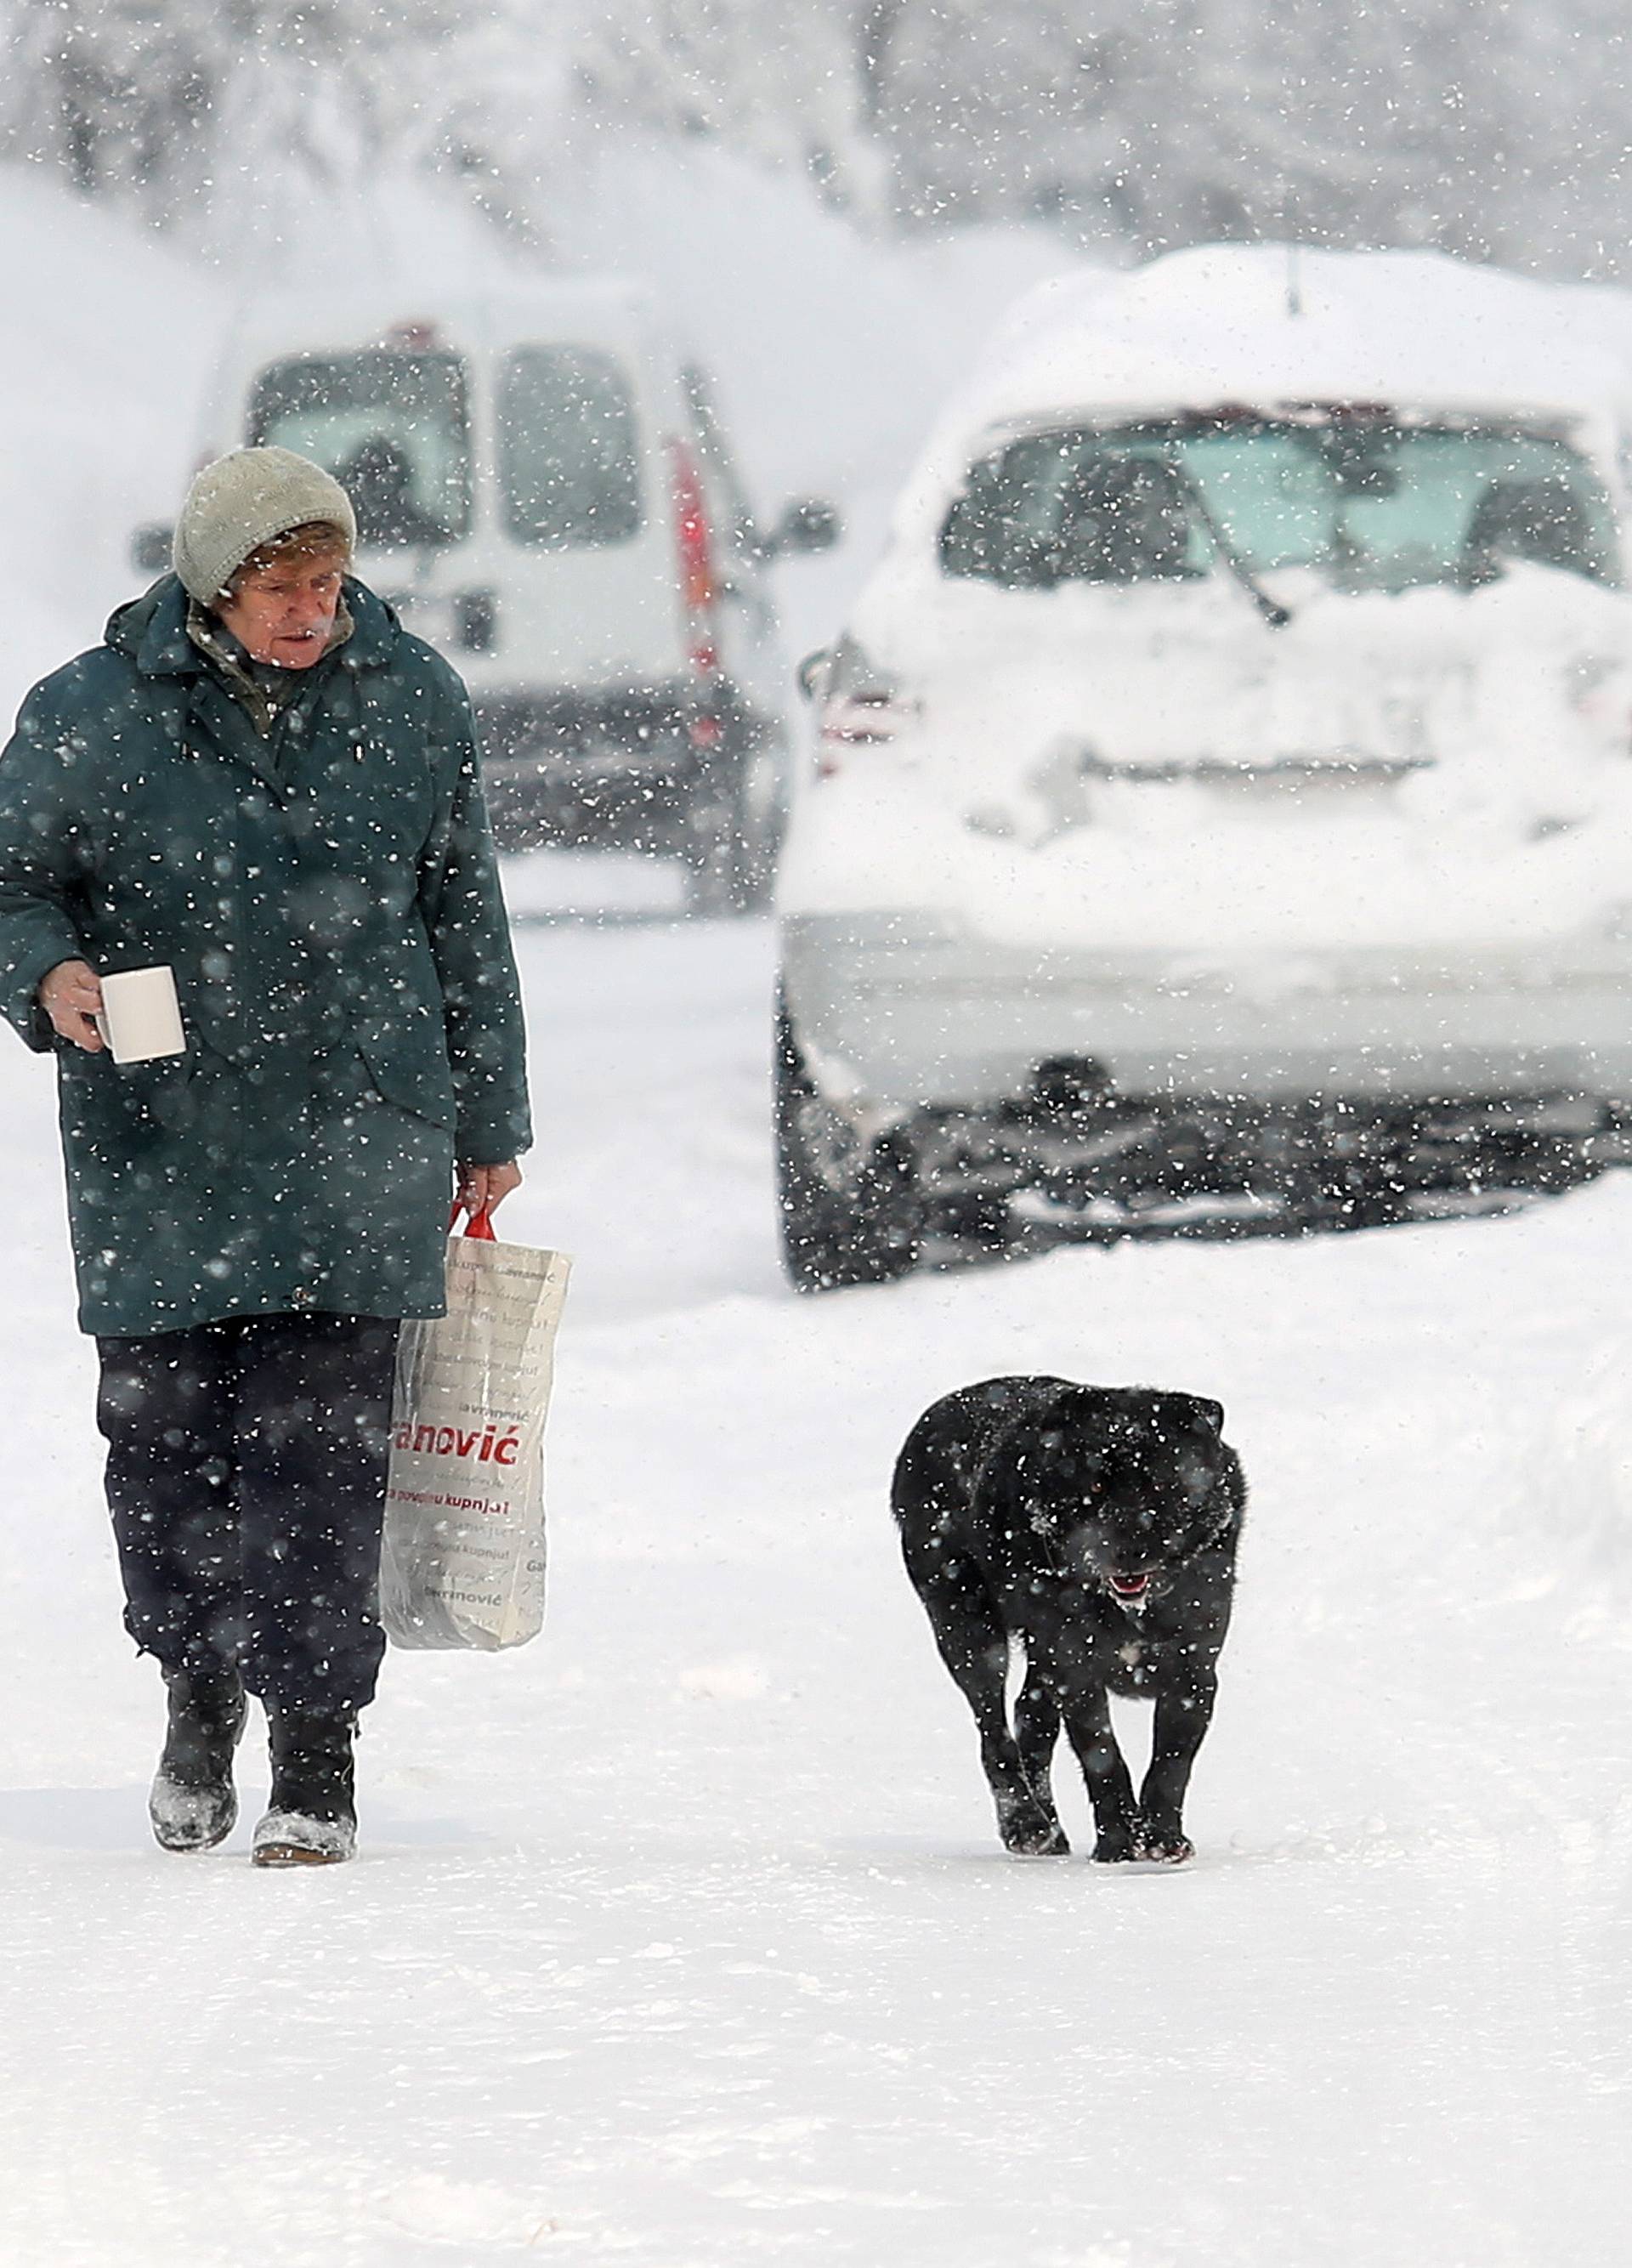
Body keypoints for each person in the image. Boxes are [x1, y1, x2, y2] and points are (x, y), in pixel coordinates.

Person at [0, 445, 530, 1868]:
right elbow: (14, 884)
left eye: (326, 579)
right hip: (159, 1143)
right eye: (277, 584)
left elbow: (462, 914)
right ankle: (194, 1691)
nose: (309, 608)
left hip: (360, 1129)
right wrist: (46, 979)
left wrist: (488, 1123)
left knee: (323, 1451)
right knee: (163, 1446)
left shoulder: (413, 701)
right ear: (210, 585)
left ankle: (315, 1748)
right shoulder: (88, 714)